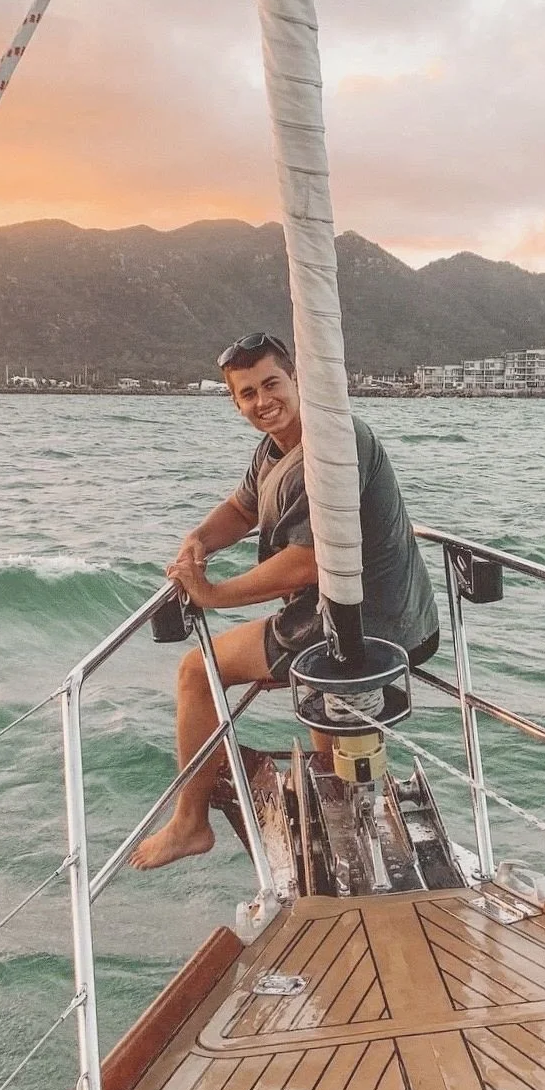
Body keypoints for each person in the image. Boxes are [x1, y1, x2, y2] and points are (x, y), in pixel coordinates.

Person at [131, 332, 439, 870]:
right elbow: (242, 508)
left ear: (298, 381)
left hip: (359, 622)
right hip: (367, 612)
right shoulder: (276, 447)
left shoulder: (329, 448)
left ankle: (190, 823)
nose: (261, 401)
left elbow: (309, 560)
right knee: (327, 719)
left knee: (195, 673)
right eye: (247, 393)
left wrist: (213, 594)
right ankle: (345, 818)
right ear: (235, 402)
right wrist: (197, 542)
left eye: (271, 384)